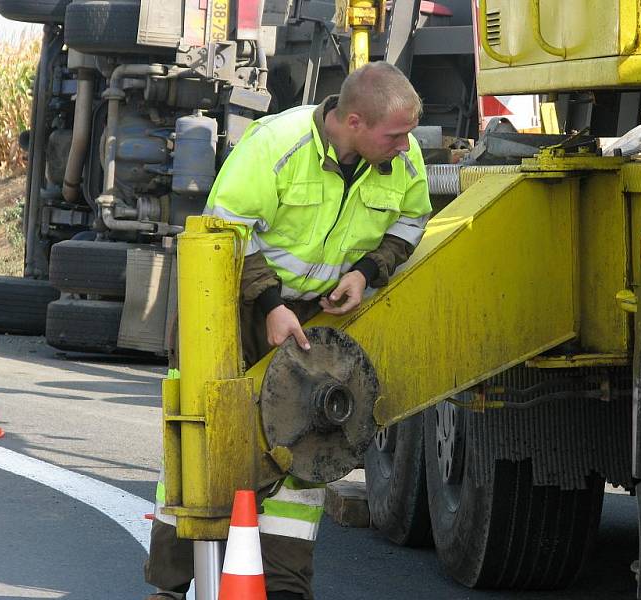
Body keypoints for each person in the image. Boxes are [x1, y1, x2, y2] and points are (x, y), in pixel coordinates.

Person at [145, 60, 432, 600]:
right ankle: (173, 585)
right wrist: (271, 303)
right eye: (395, 135)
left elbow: (412, 222)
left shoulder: (403, 157)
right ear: (353, 123)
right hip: (230, 306)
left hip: (314, 319)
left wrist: (364, 273)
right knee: (205, 441)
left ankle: (281, 588)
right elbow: (224, 229)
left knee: (306, 443)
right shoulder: (276, 145)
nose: (406, 146)